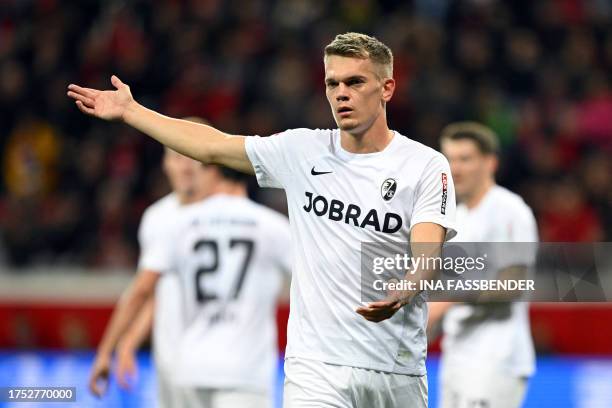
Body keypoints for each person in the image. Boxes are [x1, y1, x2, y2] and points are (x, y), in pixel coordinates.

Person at [68, 32, 457, 407]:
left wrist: (407, 288)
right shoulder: (302, 151)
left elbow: (428, 251)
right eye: (332, 83)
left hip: (395, 369)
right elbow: (212, 145)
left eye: (355, 82)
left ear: (386, 88)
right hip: (315, 366)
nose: (341, 93)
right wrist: (132, 112)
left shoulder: (423, 165)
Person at [91, 162, 292, 408]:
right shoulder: (271, 226)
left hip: (190, 369)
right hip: (244, 370)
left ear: (213, 172)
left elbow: (141, 290)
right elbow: (316, 275)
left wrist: (105, 351)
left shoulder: (180, 223)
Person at [429, 122, 538, 408]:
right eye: (449, 159)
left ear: (490, 162)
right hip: (456, 358)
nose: (455, 169)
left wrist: (450, 299)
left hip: (496, 360)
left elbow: (514, 285)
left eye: (465, 159)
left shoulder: (509, 210)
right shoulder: (455, 219)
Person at [89, 144, 204, 406]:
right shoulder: (157, 218)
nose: (186, 165)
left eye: (194, 156)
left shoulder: (232, 215)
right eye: (178, 156)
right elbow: (152, 291)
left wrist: (107, 350)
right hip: (171, 359)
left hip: (224, 359)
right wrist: (128, 341)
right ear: (165, 164)